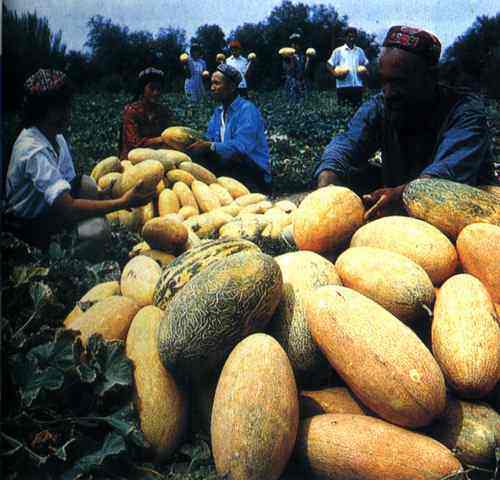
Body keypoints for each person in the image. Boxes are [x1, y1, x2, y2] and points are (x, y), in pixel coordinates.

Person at [316, 26, 495, 220]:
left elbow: (445, 177)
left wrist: (400, 195)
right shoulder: (381, 105)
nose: (388, 91)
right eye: (383, 81)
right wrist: (327, 180)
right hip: (405, 215)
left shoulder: (464, 112)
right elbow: (346, 144)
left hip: (466, 215)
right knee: (350, 175)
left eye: (399, 82)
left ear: (431, 77)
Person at [4, 69, 152, 252]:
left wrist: (102, 196)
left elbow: (71, 185)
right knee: (99, 231)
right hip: (29, 225)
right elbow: (69, 208)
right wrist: (123, 202)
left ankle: (70, 234)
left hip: (50, 209)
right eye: (62, 107)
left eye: (67, 105)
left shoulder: (55, 136)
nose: (69, 111)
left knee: (88, 185)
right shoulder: (34, 150)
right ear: (43, 111)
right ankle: (57, 256)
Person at [186, 64, 272, 193]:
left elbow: (241, 147)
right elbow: (209, 139)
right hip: (231, 164)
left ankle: (254, 191)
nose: (212, 88)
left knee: (230, 155)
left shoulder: (247, 110)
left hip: (253, 171)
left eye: (216, 84)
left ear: (231, 87)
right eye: (211, 84)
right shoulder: (218, 112)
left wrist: (210, 146)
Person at [119, 67, 175, 159]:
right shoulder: (132, 111)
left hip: (157, 159)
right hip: (131, 159)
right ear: (142, 89)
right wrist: (160, 140)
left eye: (159, 89)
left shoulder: (164, 112)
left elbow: (172, 135)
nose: (156, 93)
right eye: (152, 88)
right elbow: (134, 143)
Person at [327, 27, 369, 108]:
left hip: (357, 86)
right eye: (349, 36)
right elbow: (329, 64)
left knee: (356, 112)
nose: (351, 39)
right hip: (343, 87)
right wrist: (335, 74)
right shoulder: (338, 51)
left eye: (353, 37)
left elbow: (366, 63)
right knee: (343, 112)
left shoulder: (359, 51)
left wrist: (365, 72)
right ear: (345, 37)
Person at [283, 33, 311, 104]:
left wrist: (308, 60)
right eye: (293, 43)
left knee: (302, 103)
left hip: (301, 83)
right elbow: (289, 70)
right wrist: (292, 58)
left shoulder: (302, 56)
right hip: (291, 83)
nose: (295, 45)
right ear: (291, 45)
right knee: (291, 103)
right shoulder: (286, 56)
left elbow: (305, 71)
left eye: (297, 43)